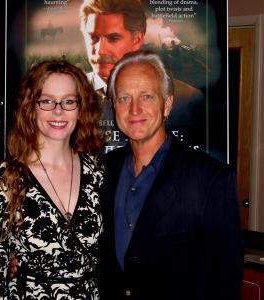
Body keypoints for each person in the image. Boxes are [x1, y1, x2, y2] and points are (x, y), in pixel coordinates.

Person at [99, 50, 244, 299]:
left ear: (167, 104)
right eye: (124, 98)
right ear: (114, 107)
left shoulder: (211, 178)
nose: (134, 109)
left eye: (146, 96)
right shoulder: (101, 170)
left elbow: (223, 283)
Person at [0, 59, 105, 299]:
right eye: (47, 101)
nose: (58, 111)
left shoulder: (99, 173)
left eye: (68, 101)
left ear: (81, 108)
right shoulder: (5, 179)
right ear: (31, 106)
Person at [79, 0, 205, 152]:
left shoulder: (186, 98)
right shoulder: (65, 96)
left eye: (113, 38)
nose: (100, 50)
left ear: (137, 40)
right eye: (93, 38)